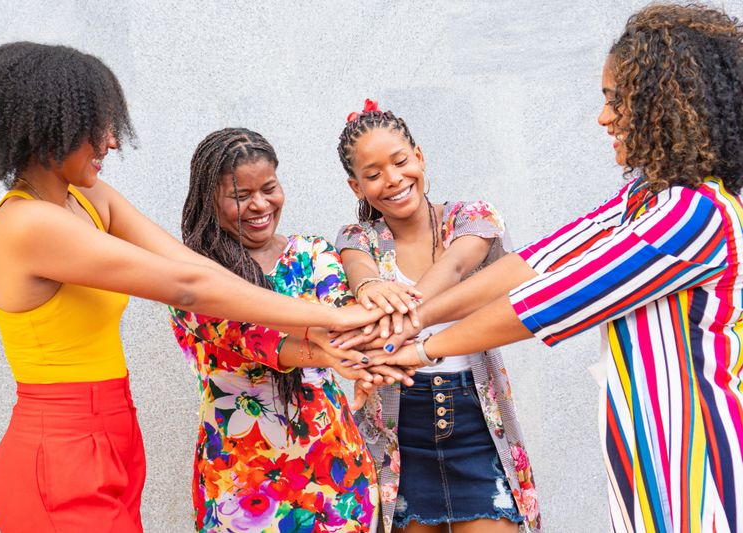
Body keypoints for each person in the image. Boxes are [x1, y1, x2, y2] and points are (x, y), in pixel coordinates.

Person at [0, 42, 382, 532]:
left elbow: (194, 265)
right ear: (52, 126)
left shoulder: (89, 199)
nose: (112, 142)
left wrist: (330, 327)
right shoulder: (27, 224)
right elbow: (185, 287)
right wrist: (331, 317)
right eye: (98, 128)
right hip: (60, 444)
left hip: (113, 431)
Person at [359, 5, 743, 531]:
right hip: (648, 460)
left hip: (697, 465)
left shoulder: (694, 214)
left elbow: (550, 300)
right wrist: (413, 319)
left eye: (615, 101)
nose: (603, 118)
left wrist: (418, 349)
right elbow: (533, 263)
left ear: (664, 103)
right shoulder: (646, 198)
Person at [169, 127, 413, 532]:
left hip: (332, 468)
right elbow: (250, 337)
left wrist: (372, 347)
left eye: (269, 188)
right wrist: (328, 352)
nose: (260, 205)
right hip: (238, 477)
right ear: (208, 199)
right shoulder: (192, 277)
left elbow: (341, 317)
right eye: (241, 196)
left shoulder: (312, 253)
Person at [333, 100, 540, 532]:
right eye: (373, 175)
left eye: (401, 161)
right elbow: (358, 269)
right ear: (357, 188)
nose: (393, 180)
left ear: (420, 157)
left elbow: (457, 267)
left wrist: (407, 318)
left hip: (476, 424)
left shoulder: (471, 218)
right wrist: (368, 285)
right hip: (399, 430)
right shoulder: (358, 238)